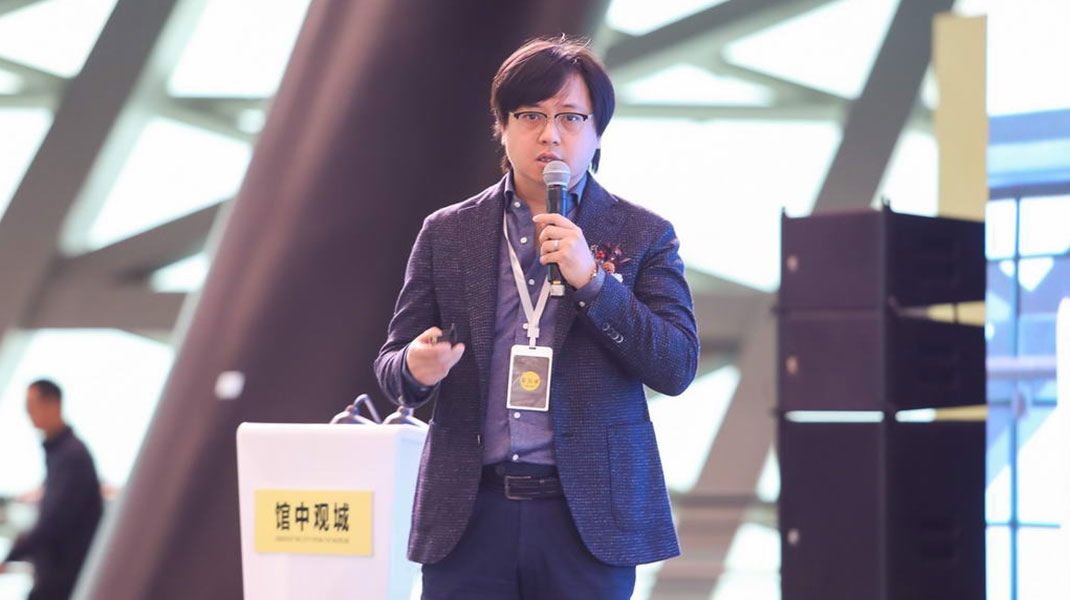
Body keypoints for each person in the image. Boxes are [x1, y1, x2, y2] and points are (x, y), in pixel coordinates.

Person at [375, 36, 698, 600]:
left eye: (571, 117)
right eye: (530, 116)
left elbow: (676, 366)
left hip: (587, 518)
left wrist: (593, 282)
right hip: (469, 514)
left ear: (598, 133)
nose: (551, 134)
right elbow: (391, 367)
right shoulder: (447, 232)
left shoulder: (643, 233)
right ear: (502, 126)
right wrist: (416, 368)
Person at [0, 380, 103, 600]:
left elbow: (54, 521)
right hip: (55, 570)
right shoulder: (60, 453)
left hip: (63, 573)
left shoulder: (72, 456)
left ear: (54, 404)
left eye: (32, 406)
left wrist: (11, 556)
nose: (29, 414)